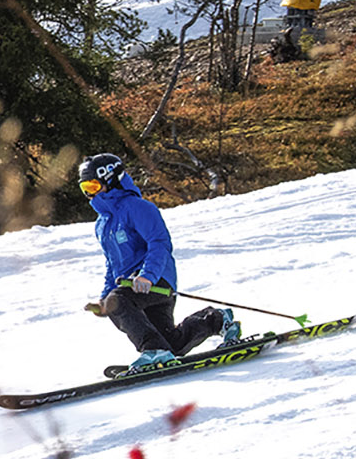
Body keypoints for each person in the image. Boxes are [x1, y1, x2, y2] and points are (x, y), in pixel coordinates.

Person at [78, 153, 241, 374]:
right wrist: (103, 297)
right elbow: (112, 263)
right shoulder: (102, 224)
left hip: (156, 282)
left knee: (117, 302)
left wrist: (148, 276)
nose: (90, 194)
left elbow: (159, 243)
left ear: (111, 179)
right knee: (172, 344)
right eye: (85, 188)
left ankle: (153, 351)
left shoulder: (138, 207)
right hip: (133, 287)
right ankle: (218, 320)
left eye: (94, 185)